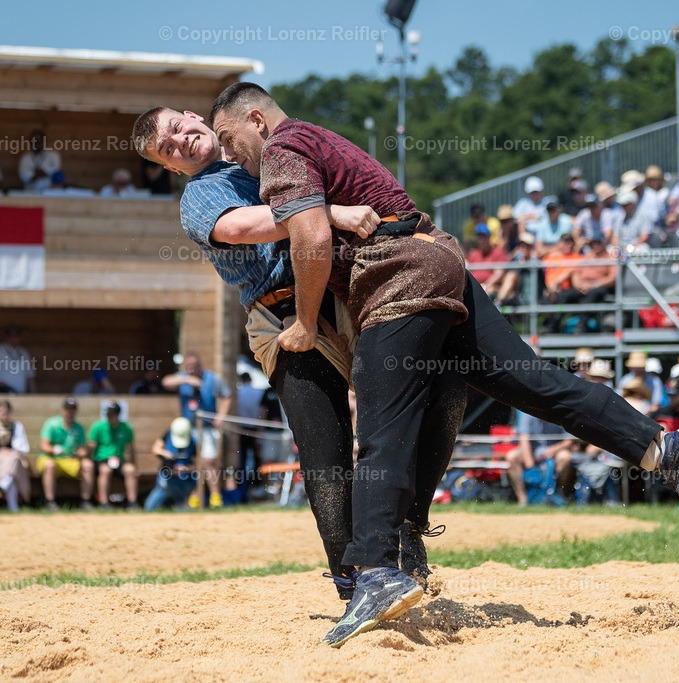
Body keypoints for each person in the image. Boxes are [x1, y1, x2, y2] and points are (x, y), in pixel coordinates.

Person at [208, 82, 679, 646]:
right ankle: (667, 450)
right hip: (442, 259)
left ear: (256, 119)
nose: (228, 155)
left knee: (381, 430)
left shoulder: (283, 149)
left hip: (399, 280)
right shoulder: (321, 137)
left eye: (230, 140)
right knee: (535, 383)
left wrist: (305, 322)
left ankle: (376, 573)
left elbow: (309, 235)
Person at [131, 105, 465, 606]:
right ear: (171, 169)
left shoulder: (263, 154)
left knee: (445, 389)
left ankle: (410, 524)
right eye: (168, 151)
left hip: (347, 293)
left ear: (194, 116)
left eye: (178, 130)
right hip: (280, 317)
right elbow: (248, 227)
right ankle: (355, 586)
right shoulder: (198, 197)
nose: (180, 145)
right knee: (325, 452)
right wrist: (329, 213)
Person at [162, 354, 232, 508]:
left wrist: (220, 417)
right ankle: (193, 498)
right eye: (189, 367)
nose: (191, 369)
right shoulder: (183, 378)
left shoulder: (212, 378)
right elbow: (165, 382)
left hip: (207, 427)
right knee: (190, 462)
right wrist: (186, 380)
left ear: (200, 365)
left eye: (194, 366)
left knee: (209, 461)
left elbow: (227, 396)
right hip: (188, 429)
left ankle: (215, 497)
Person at [506, 409, 574, 506]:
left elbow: (569, 441)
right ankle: (523, 500)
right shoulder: (527, 412)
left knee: (565, 456)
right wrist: (531, 466)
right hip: (533, 450)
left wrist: (552, 450)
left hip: (556, 450)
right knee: (512, 456)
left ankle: (560, 495)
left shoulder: (561, 412)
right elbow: (523, 439)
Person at [38, 397, 94, 511]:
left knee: (88, 465)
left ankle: (85, 501)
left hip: (70, 461)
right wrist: (54, 450)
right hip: (50, 458)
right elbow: (43, 446)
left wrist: (79, 454)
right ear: (62, 410)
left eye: (73, 409)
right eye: (68, 409)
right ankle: (50, 502)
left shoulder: (79, 428)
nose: (71, 412)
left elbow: (83, 449)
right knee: (49, 465)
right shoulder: (51, 424)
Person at [88, 402, 139, 509]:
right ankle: (104, 502)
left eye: (113, 414)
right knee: (106, 471)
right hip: (101, 459)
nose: (110, 416)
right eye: (108, 414)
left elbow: (131, 449)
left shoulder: (126, 427)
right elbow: (91, 448)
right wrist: (91, 463)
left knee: (130, 470)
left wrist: (134, 465)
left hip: (119, 459)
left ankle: (132, 502)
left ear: (118, 415)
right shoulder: (98, 427)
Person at [144, 417, 198, 511]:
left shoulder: (194, 441)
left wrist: (186, 469)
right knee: (150, 508)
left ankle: (181, 504)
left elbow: (200, 465)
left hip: (186, 480)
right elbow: (155, 449)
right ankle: (180, 504)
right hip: (167, 479)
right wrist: (165, 454)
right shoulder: (168, 434)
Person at [0, 324, 36, 394]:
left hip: (20, 397)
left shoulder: (23, 353)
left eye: (17, 335)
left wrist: (34, 396)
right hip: (2, 395)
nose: (14, 338)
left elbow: (30, 377)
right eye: (11, 335)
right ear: (7, 336)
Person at [465, 223, 509, 298]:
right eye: (479, 236)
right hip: (474, 289)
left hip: (491, 288)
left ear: (489, 237)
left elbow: (498, 273)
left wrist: (485, 285)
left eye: (483, 236)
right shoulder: (473, 255)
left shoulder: (498, 253)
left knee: (491, 289)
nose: (481, 239)